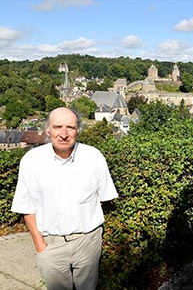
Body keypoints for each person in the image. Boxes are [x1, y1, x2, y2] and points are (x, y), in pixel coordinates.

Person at [11, 107, 118, 290]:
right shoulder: (31, 161)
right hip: (50, 245)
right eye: (57, 126)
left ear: (78, 130)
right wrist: (40, 245)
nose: (63, 134)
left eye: (70, 127)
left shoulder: (93, 157)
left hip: (88, 242)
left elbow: (102, 197)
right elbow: (26, 206)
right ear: (48, 130)